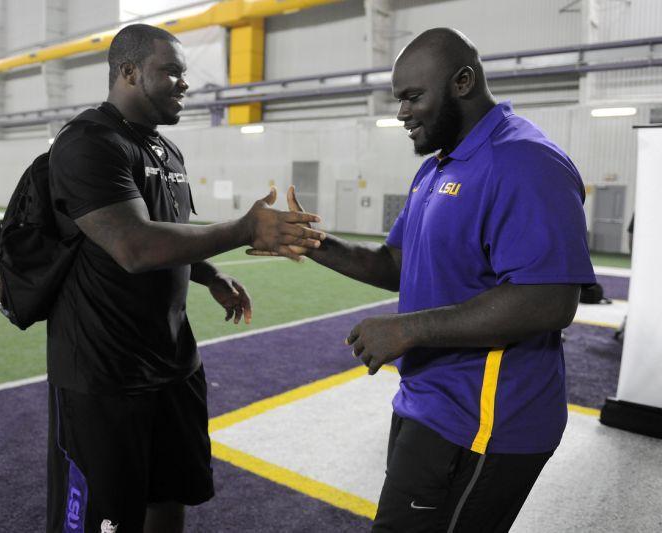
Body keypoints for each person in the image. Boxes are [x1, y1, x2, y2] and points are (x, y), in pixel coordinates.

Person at [265, 28, 596, 532]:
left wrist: (407, 329)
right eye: (400, 99)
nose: (401, 113)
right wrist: (315, 245)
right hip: (430, 402)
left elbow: (549, 301)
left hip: (487, 421)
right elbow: (398, 263)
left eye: (413, 96)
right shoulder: (438, 166)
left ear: (463, 81)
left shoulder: (525, 162)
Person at [45, 24, 325, 533]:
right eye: (170, 71)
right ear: (127, 72)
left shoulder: (166, 151)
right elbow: (133, 245)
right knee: (101, 521)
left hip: (172, 363)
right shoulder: (88, 143)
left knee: (169, 495)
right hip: (105, 376)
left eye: (184, 73)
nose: (184, 84)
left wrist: (210, 273)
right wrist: (243, 228)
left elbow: (171, 232)